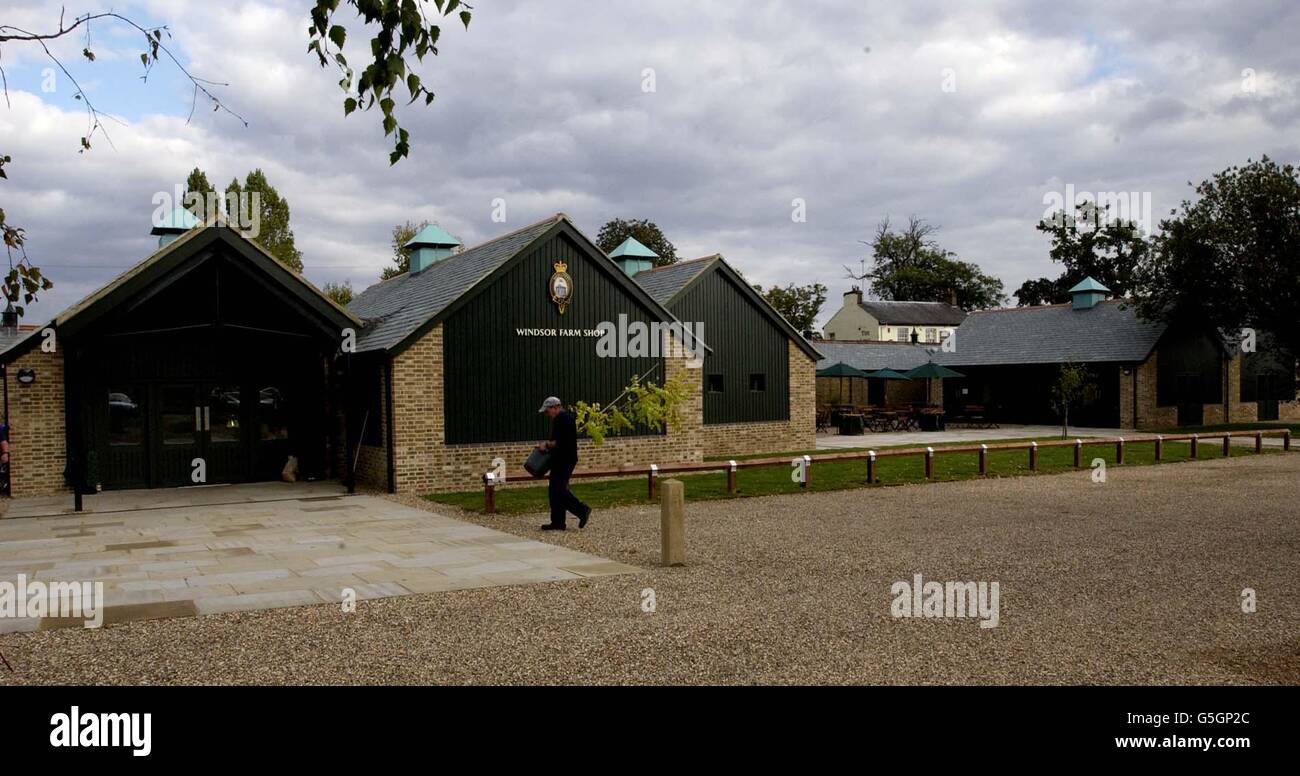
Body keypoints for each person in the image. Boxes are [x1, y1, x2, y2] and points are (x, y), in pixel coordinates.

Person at [536, 396, 591, 531]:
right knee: (554, 491)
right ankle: (558, 522)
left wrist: (545, 445)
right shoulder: (561, 419)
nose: (547, 415)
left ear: (555, 408)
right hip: (561, 459)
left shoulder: (564, 420)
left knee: (559, 490)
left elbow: (559, 442)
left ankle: (582, 510)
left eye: (547, 412)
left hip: (565, 460)